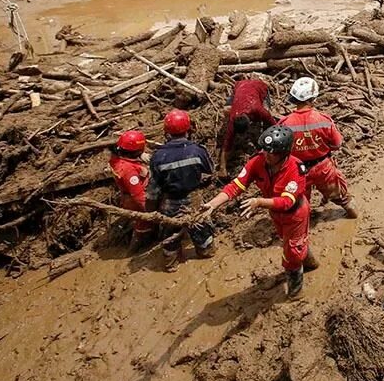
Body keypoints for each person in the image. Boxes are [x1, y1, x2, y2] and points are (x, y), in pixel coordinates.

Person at [205, 126, 310, 296]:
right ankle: (307, 259)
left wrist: (259, 202)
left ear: (283, 153)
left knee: (291, 254)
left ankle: (295, 291)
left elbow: (286, 202)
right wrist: (213, 204)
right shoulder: (258, 161)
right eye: (265, 150)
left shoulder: (295, 169)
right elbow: (236, 185)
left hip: (295, 214)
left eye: (271, 153)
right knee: (292, 243)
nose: (266, 155)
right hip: (276, 214)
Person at [278, 77, 358, 218]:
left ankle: (304, 223)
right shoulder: (323, 119)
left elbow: (280, 150)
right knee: (341, 195)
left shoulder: (284, 123)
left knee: (300, 202)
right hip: (323, 167)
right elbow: (337, 144)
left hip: (298, 169)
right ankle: (351, 212)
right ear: (313, 99)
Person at [150, 109, 215, 272]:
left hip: (169, 200)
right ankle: (205, 251)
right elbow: (210, 170)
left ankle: (171, 263)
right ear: (188, 129)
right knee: (200, 227)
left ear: (166, 132)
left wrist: (150, 208)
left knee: (169, 232)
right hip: (193, 198)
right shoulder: (198, 150)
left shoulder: (158, 156)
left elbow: (154, 186)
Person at [218, 78, 275, 178]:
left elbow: (273, 123)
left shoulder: (258, 109)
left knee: (267, 113)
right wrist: (222, 168)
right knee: (225, 110)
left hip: (259, 85)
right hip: (240, 85)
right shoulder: (233, 118)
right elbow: (227, 144)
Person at [110, 129, 153, 252]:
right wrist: (151, 211)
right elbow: (138, 196)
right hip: (135, 201)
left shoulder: (118, 160)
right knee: (144, 225)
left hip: (127, 197)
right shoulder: (129, 171)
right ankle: (136, 250)